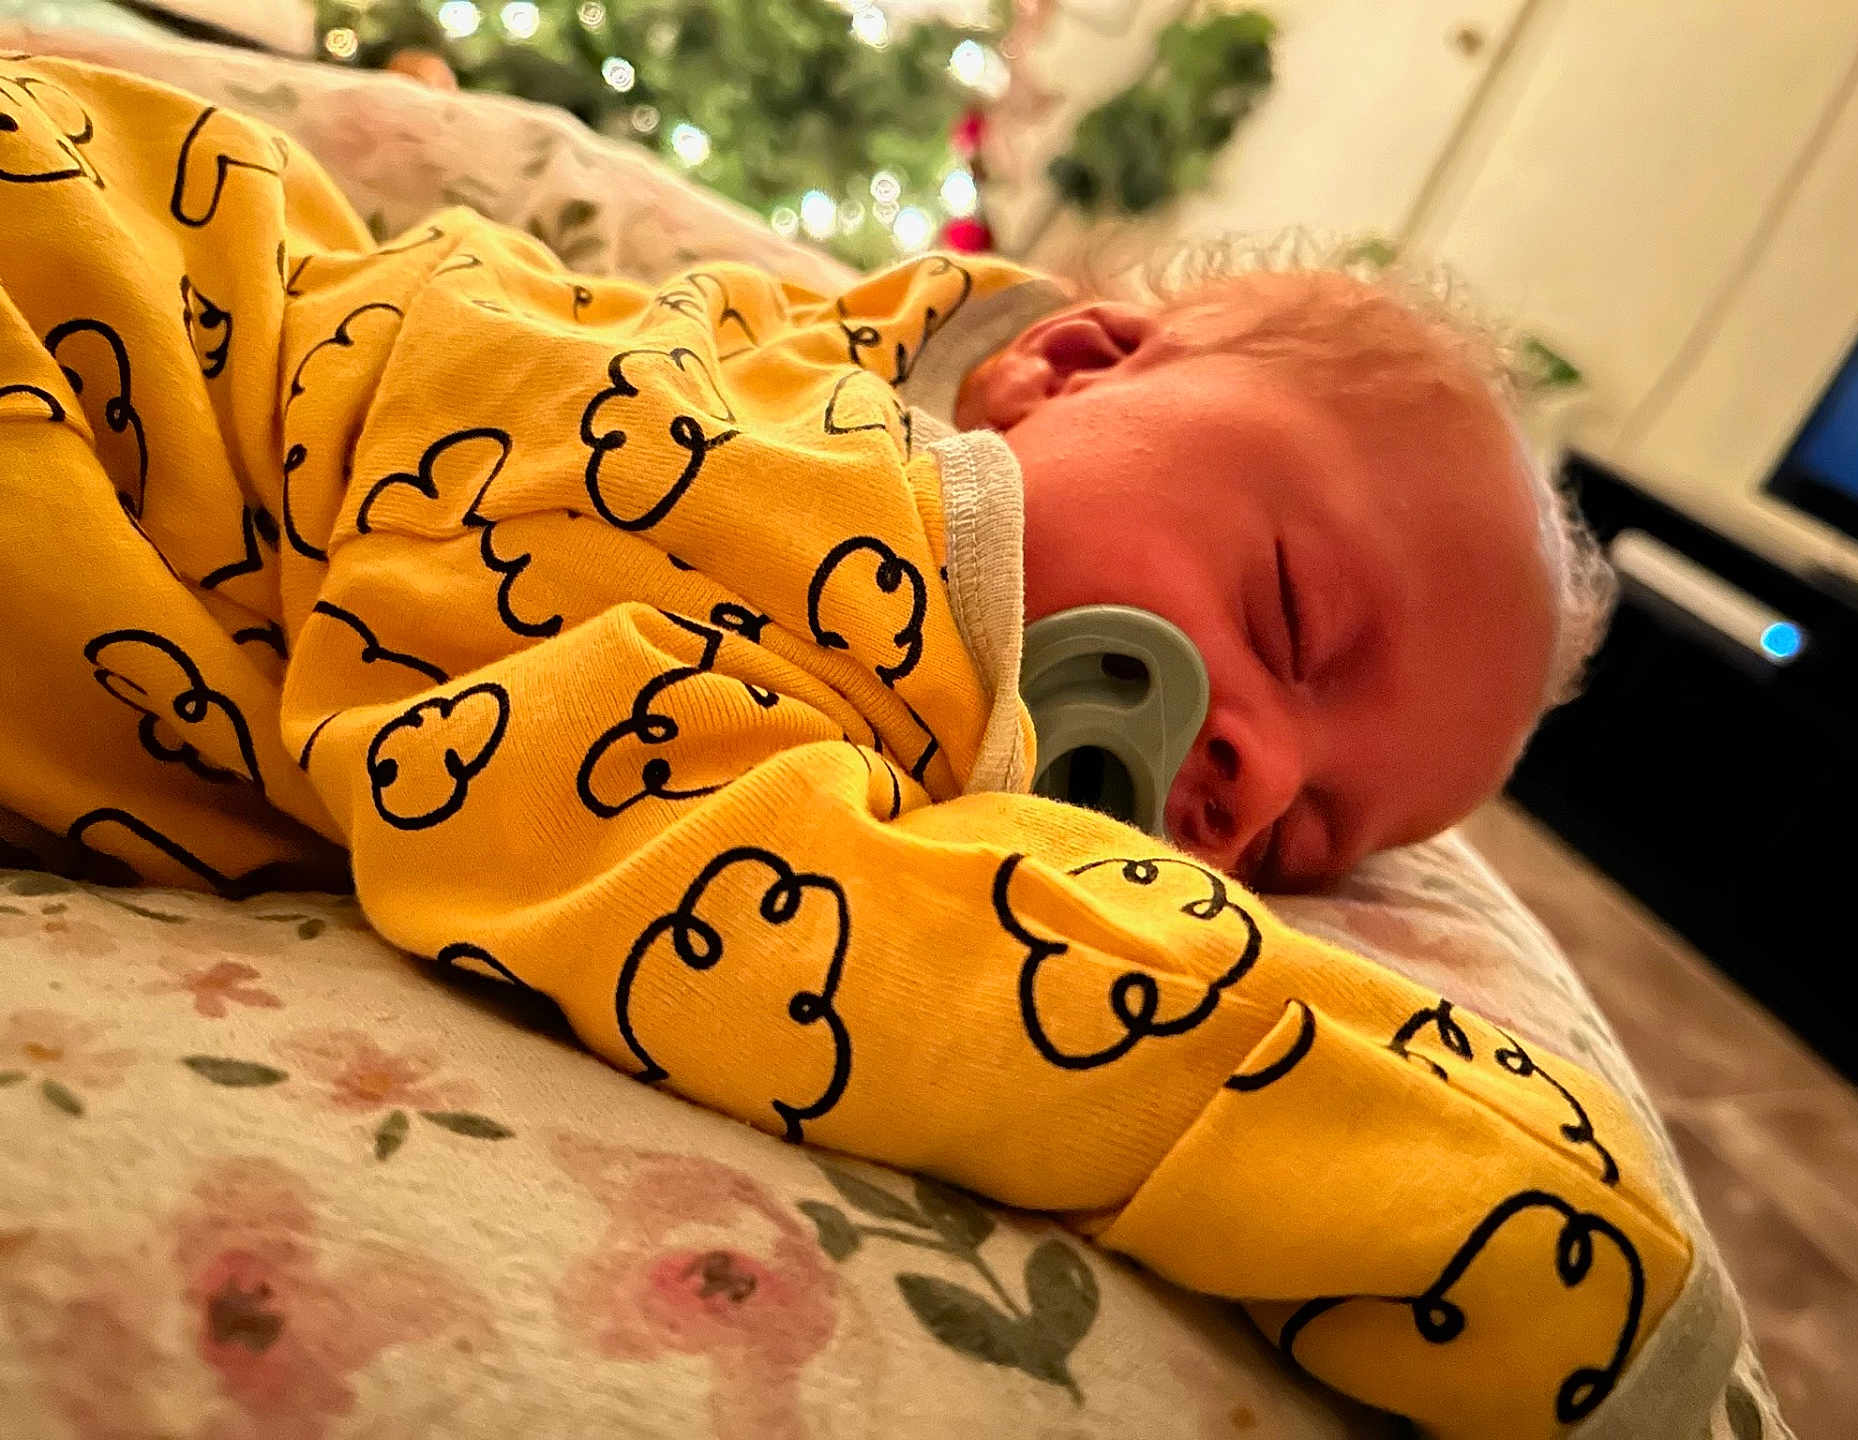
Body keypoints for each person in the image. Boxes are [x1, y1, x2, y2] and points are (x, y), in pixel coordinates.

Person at [0, 56, 1688, 1438]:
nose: (1248, 783)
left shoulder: (886, 677)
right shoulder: (765, 473)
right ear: (1062, 370)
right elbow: (825, 916)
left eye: (1308, 839)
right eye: (1292, 621)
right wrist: (1487, 1211)